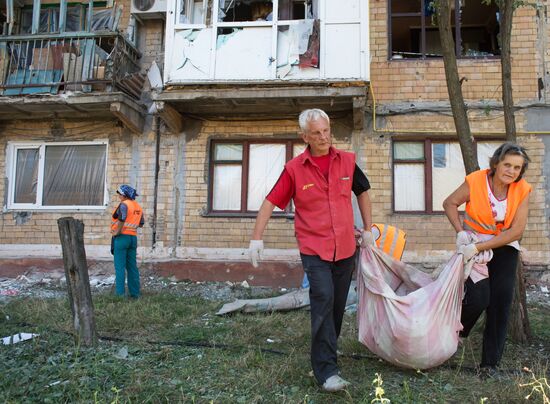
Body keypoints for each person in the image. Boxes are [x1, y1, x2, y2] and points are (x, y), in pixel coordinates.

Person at [248, 109, 374, 392]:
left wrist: (368, 228)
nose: (323, 137)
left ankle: (326, 353)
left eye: (326, 131)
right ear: (304, 136)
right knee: (323, 300)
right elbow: (270, 202)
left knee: (338, 306)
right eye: (316, 133)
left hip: (344, 248)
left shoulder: (347, 161)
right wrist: (257, 238)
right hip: (314, 249)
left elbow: (363, 191)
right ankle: (327, 371)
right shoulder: (295, 169)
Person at [443, 142, 531, 376]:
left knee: (500, 303)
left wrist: (481, 246)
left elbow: (516, 232)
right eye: (507, 165)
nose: (511, 171)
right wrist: (460, 231)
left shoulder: (522, 190)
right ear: (496, 163)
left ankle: (489, 364)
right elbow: (449, 203)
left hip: (503, 247)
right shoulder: (476, 181)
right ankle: (453, 337)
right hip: (473, 245)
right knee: (479, 298)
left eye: (517, 168)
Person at [111, 184, 145, 299]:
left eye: (120, 194)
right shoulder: (138, 207)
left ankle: (120, 295)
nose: (119, 196)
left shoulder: (124, 205)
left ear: (124, 195)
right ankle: (135, 294)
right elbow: (141, 224)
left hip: (121, 237)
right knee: (132, 267)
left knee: (120, 267)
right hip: (132, 238)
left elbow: (121, 218)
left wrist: (117, 232)